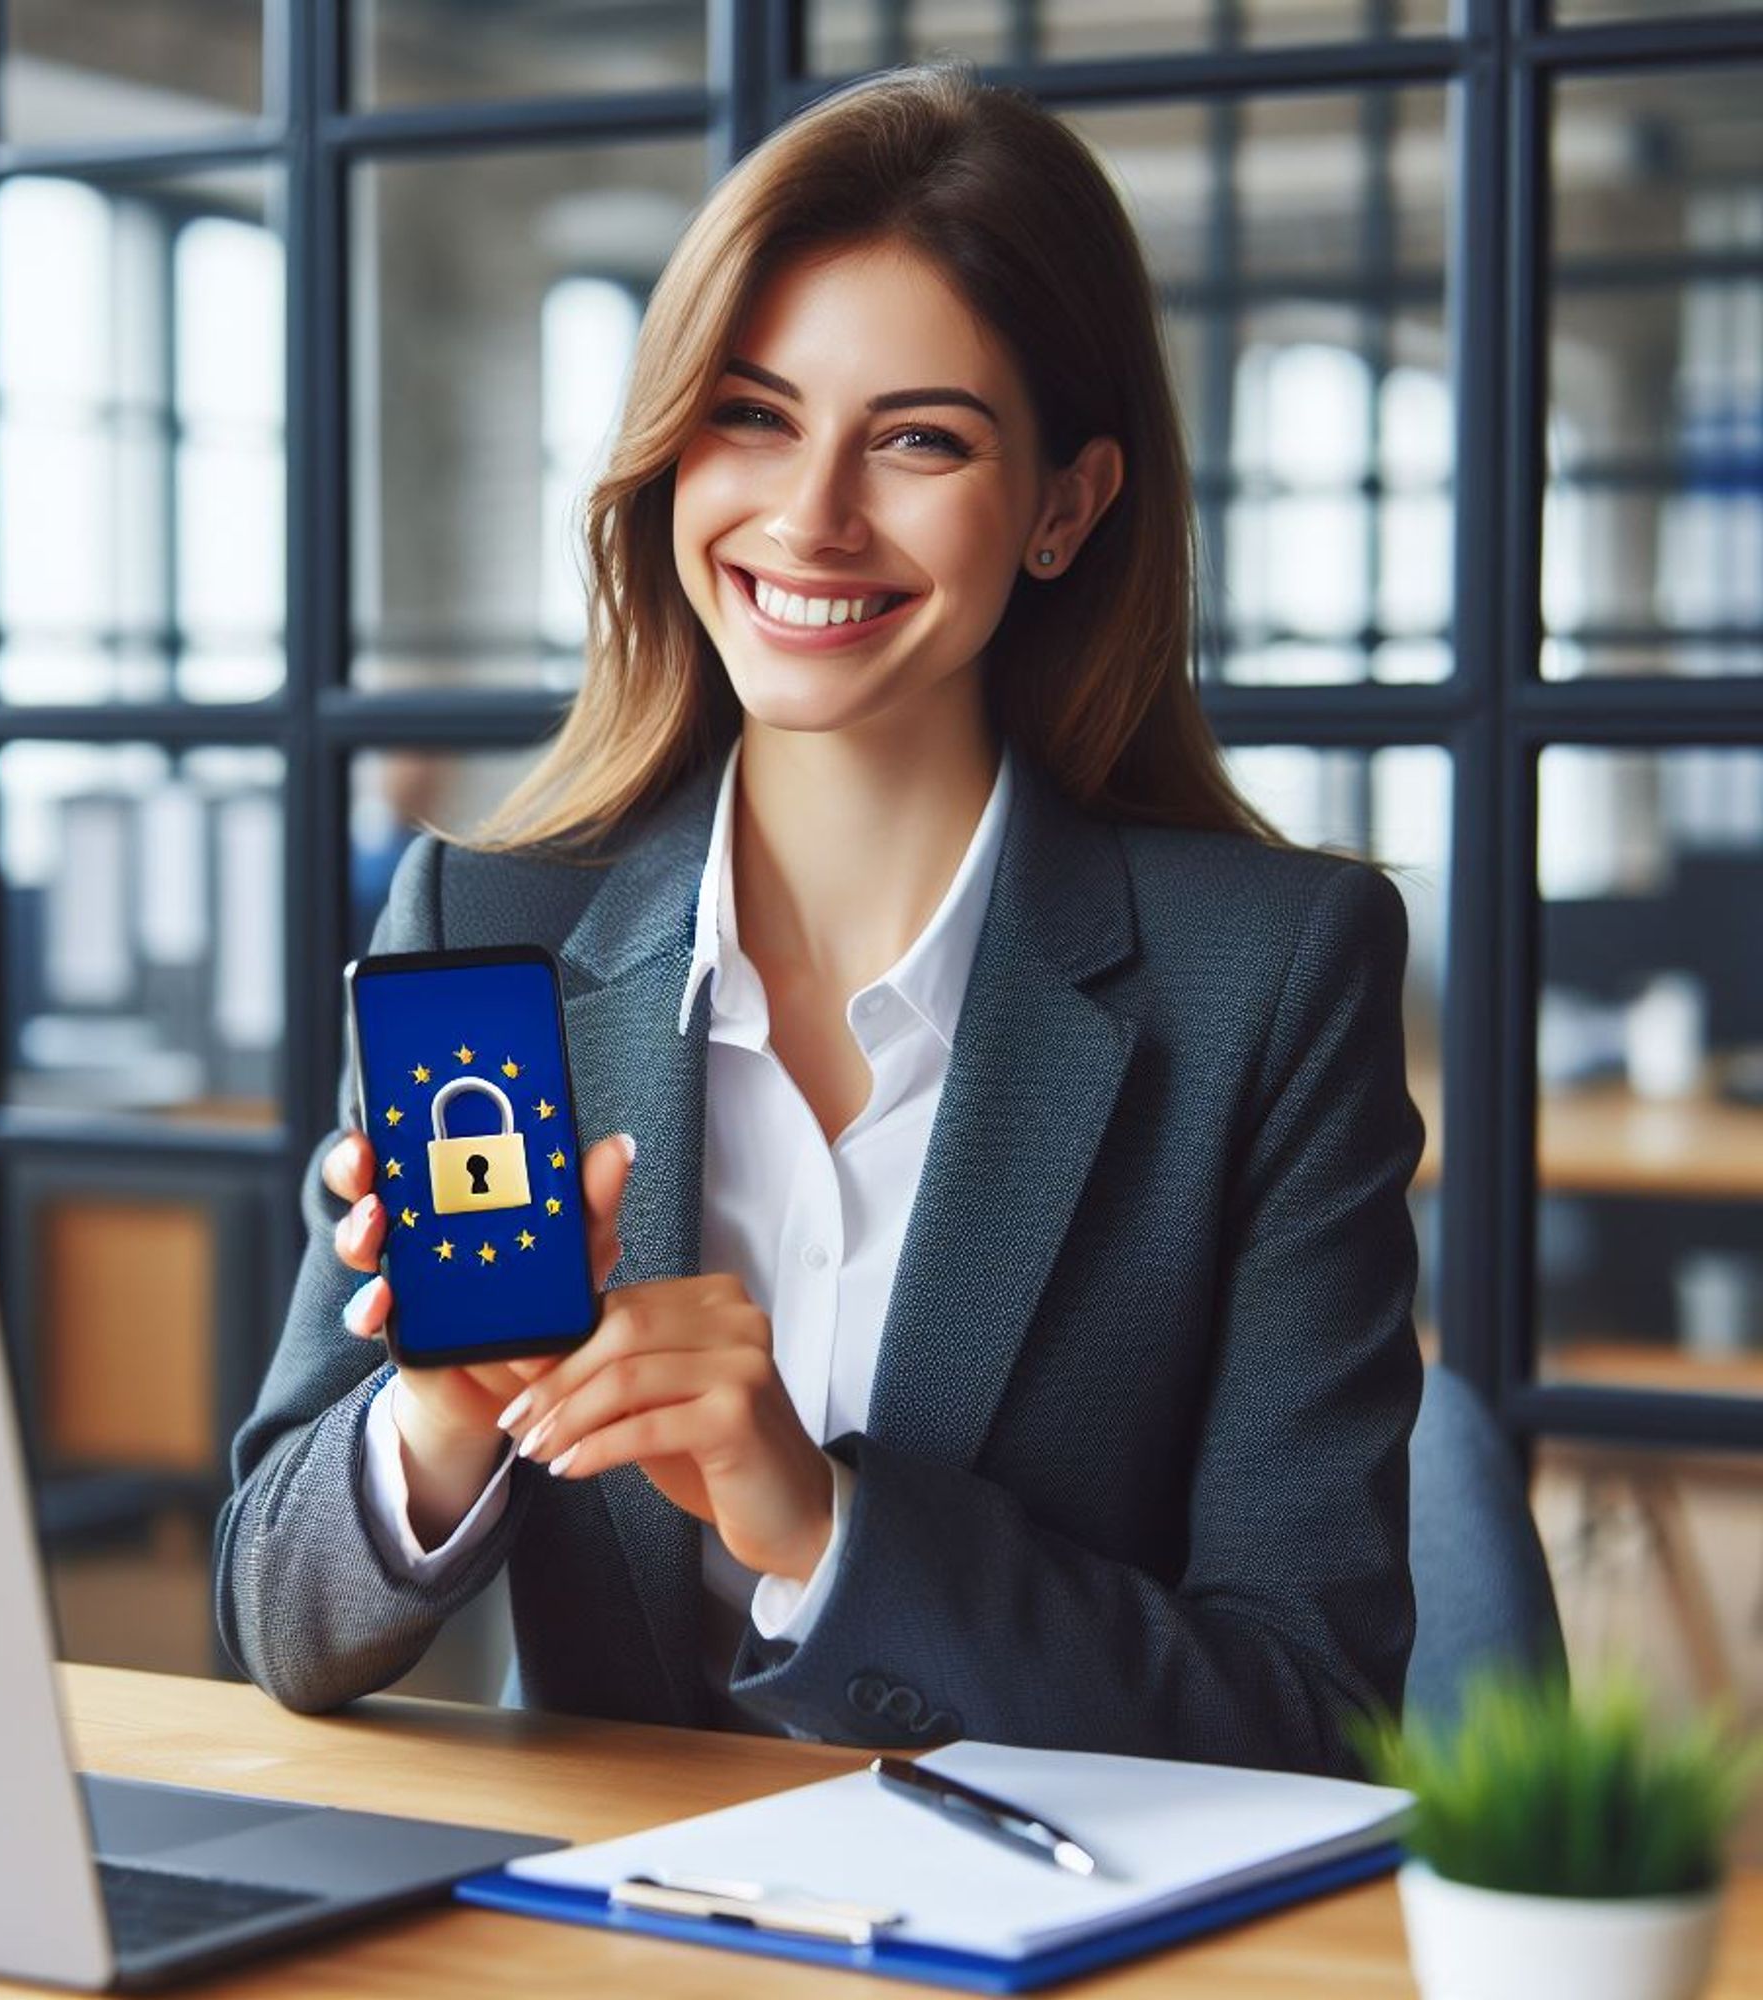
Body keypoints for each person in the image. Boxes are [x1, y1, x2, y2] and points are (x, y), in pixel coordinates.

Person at [214, 58, 1425, 1776]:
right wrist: (437, 1417)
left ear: (1070, 504)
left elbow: (1313, 1720)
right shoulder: (484, 929)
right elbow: (275, 1619)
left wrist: (823, 1526)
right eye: (752, 416)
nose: (809, 515)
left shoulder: (1274, 982)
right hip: (591, 1942)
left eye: (919, 438)